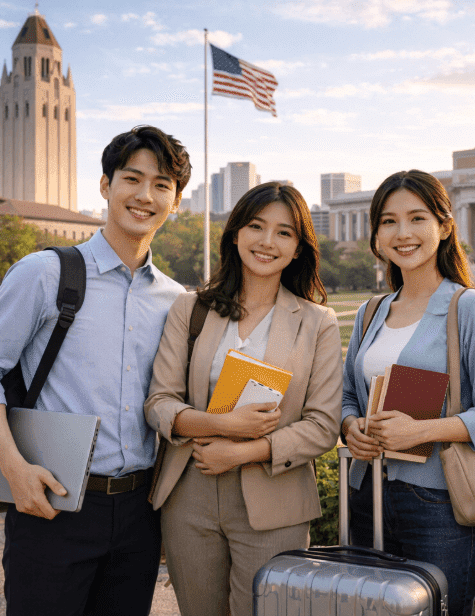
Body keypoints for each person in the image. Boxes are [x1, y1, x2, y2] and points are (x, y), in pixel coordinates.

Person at [0, 125, 192, 615]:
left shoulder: (176, 300)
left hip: (139, 513)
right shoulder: (45, 272)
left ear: (176, 200)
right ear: (106, 186)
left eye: (162, 185)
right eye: (132, 178)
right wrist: (14, 468)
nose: (145, 195)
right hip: (53, 501)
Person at [144, 182, 342, 616]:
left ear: (298, 248)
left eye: (284, 232)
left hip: (276, 499)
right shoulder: (190, 308)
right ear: (235, 233)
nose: (267, 241)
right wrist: (223, 426)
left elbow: (323, 425)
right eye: (256, 226)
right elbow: (159, 402)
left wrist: (245, 451)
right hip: (189, 494)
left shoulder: (317, 322)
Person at [342, 170, 475, 616]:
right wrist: (351, 427)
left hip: (437, 501)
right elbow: (346, 397)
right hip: (367, 494)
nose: (403, 233)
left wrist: (419, 431)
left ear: (443, 227)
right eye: (388, 221)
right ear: (376, 236)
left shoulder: (469, 307)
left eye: (417, 218)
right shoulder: (370, 312)